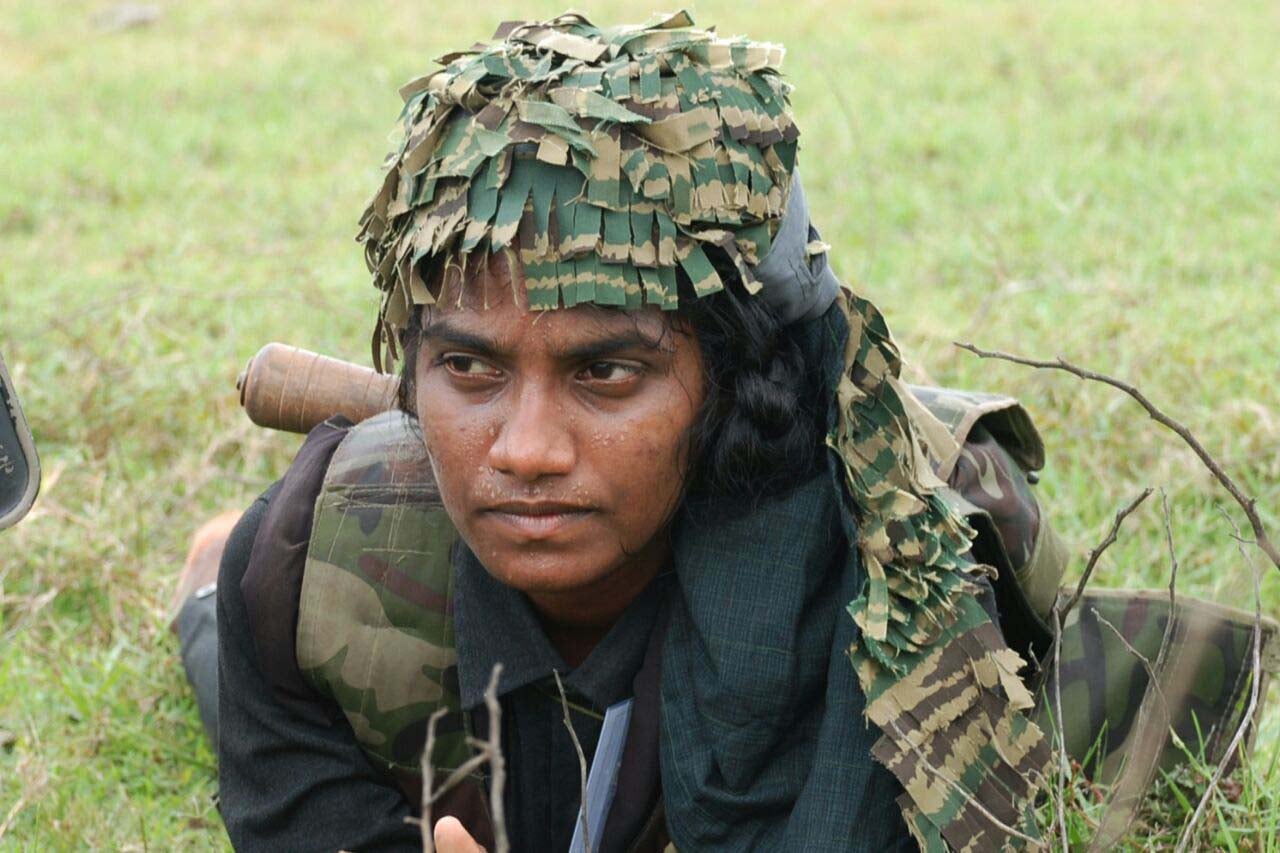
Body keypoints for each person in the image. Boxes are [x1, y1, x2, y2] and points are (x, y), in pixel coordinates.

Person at [177, 12, 1052, 852]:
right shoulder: (301, 574)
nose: (526, 451)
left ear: (733, 385)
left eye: (605, 373)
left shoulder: (911, 577)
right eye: (470, 366)